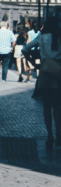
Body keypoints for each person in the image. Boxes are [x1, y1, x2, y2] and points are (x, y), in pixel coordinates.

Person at [25, 16, 61, 151]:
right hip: (58, 75)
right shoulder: (59, 37)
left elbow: (25, 49)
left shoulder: (42, 37)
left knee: (46, 107)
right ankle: (59, 133)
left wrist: (34, 62)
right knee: (57, 106)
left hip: (45, 74)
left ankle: (50, 136)